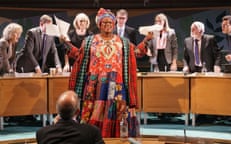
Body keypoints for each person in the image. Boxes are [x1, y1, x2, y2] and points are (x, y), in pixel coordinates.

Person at [64, 8, 147, 138]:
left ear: (114, 25)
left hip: (117, 86)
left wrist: (146, 40)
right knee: (92, 114)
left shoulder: (123, 42)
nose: (107, 25)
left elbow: (136, 52)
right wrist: (65, 43)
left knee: (116, 114)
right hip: (94, 86)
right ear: (99, 25)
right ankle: (90, 138)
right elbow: (78, 55)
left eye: (110, 23)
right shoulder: (89, 41)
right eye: (104, 23)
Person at [36, 90, 105, 144]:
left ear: (57, 110)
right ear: (77, 112)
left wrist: (55, 126)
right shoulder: (92, 132)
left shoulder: (42, 133)